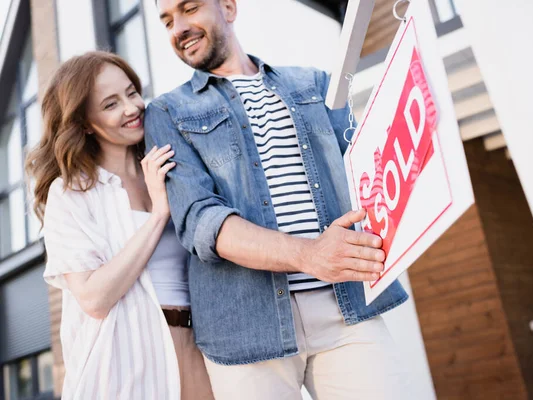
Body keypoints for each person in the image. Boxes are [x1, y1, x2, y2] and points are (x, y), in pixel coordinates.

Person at [145, 0, 410, 398]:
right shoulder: (167, 112)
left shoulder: (315, 84)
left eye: (190, 8)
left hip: (348, 308)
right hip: (247, 331)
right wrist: (310, 255)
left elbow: (367, 167)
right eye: (167, 21)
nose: (178, 28)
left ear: (229, 8)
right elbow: (202, 222)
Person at [26, 51, 214, 400]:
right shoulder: (72, 193)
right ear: (83, 122)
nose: (132, 108)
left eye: (131, 92)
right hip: (123, 359)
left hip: (198, 347)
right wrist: (158, 215)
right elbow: (95, 297)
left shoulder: (172, 167)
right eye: (111, 104)